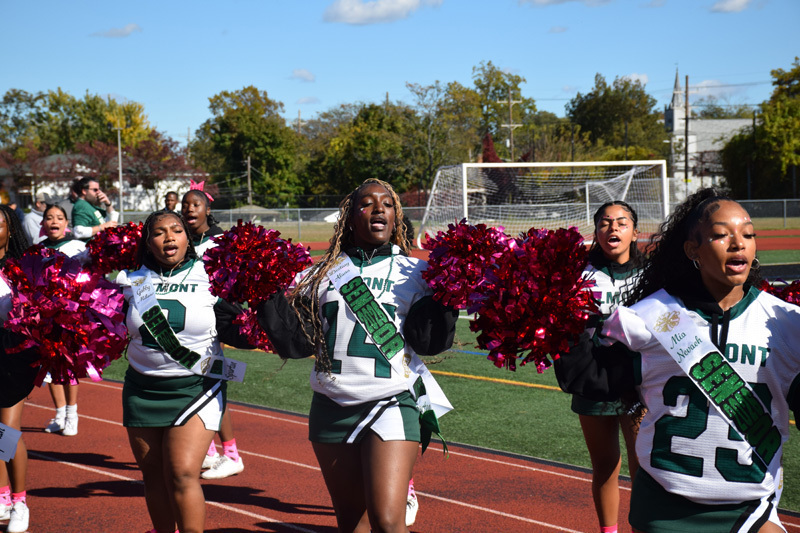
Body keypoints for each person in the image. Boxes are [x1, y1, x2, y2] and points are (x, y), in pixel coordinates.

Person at [556, 188, 799, 532]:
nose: (738, 243)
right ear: (692, 250)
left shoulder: (788, 324)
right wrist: (555, 315)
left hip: (750, 510)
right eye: (720, 235)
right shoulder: (648, 317)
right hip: (663, 509)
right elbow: (587, 378)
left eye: (747, 234)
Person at [258, 178, 458, 533]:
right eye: (367, 203)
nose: (379, 208)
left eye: (388, 204)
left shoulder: (418, 273)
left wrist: (450, 296)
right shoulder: (316, 275)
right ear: (350, 217)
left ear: (396, 217)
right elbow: (297, 343)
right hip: (331, 405)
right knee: (352, 523)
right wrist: (261, 292)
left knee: (387, 520)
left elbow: (430, 342)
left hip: (391, 401)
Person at [117, 210, 255, 533]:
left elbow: (239, 327)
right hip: (142, 389)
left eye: (176, 230)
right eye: (159, 232)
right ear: (148, 242)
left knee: (181, 473)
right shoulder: (131, 281)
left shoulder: (210, 276)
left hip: (197, 387)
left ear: (187, 237)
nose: (169, 237)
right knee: (153, 475)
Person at [572, 201, 643, 533]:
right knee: (604, 466)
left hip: (640, 384)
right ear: (596, 231)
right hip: (595, 382)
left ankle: (646, 527)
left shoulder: (652, 275)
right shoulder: (579, 273)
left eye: (621, 222)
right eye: (604, 222)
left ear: (634, 231)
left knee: (644, 467)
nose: (613, 228)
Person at [180, 188, 245, 480]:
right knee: (195, 383)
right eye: (185, 205)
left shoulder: (220, 241)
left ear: (207, 209)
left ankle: (231, 454)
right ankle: (210, 453)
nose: (190, 209)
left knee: (211, 382)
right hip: (191, 322)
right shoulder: (182, 241)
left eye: (196, 204)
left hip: (214, 321)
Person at [0, 204, 39, 533]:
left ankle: (20, 501)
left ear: (10, 229)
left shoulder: (22, 268)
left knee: (6, 434)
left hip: (12, 357)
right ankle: (2, 498)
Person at [40, 204, 86, 437]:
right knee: (49, 365)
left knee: (68, 366)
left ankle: (72, 414)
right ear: (43, 224)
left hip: (71, 316)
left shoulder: (78, 247)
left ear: (67, 224)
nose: (54, 221)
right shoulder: (37, 249)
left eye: (59, 217)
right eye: (49, 217)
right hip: (44, 317)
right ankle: (59, 414)